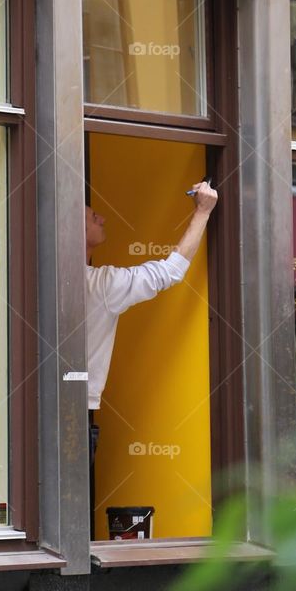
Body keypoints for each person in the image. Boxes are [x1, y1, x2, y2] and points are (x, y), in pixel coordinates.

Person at [84, 181, 219, 483]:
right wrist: (202, 212)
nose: (102, 218)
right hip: (76, 412)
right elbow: (169, 271)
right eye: (93, 217)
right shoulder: (98, 286)